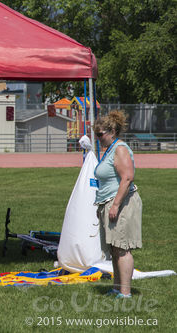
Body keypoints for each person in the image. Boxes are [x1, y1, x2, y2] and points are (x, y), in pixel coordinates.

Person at [94, 110, 142, 299]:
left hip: (122, 203)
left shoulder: (120, 149)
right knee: (114, 248)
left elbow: (127, 177)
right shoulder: (110, 149)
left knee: (122, 248)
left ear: (112, 131)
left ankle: (125, 292)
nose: (98, 138)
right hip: (109, 202)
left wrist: (115, 205)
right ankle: (117, 288)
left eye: (100, 134)